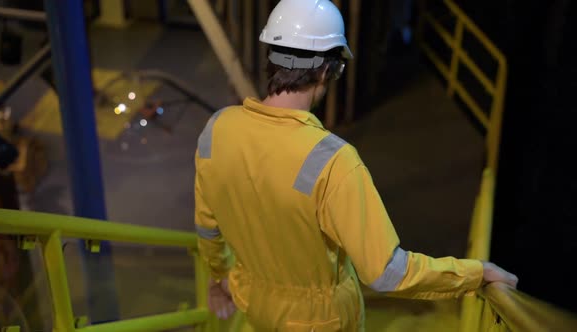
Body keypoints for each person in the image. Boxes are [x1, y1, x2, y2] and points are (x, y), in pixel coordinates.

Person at [194, 0, 518, 330]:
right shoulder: (333, 160)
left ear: (272, 58)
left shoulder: (216, 130)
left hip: (256, 305)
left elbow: (208, 227)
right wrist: (475, 274)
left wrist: (219, 277)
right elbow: (386, 272)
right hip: (318, 322)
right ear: (325, 71)